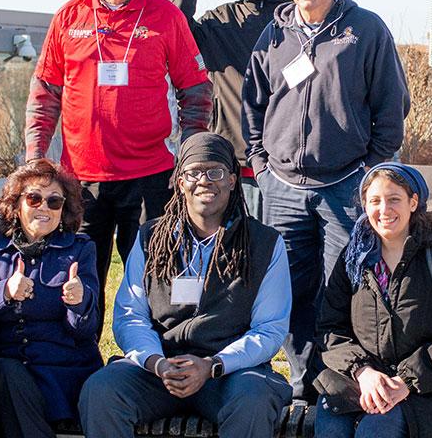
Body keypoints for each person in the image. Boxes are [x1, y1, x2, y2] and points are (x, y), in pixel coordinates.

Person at [243, 0, 409, 401]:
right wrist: (260, 164)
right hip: (282, 187)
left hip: (345, 185)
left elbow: (391, 107)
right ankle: (304, 380)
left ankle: (344, 378)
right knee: (291, 289)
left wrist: (370, 172)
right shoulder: (273, 35)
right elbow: (252, 106)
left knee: (345, 285)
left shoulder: (365, 30)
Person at [26, 0, 212, 295]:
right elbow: (45, 94)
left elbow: (196, 90)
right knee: (76, 282)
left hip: (150, 175)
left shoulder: (166, 16)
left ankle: (149, 352)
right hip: (81, 178)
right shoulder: (69, 16)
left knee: (155, 280)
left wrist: (188, 155)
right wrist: (35, 159)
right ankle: (82, 352)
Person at [79, 133, 292, 438]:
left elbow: (270, 328)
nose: (204, 181)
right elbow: (130, 315)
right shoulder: (150, 238)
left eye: (215, 172)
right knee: (101, 390)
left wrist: (214, 364)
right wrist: (157, 363)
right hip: (160, 369)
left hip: (228, 373)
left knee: (254, 399)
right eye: (193, 173)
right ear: (180, 182)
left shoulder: (265, 244)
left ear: (232, 180)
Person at [313, 163, 432, 438]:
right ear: (364, 205)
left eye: (394, 199)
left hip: (429, 385)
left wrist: (406, 381)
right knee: (332, 431)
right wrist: (362, 372)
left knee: (376, 431)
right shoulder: (353, 258)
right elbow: (330, 329)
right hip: (358, 380)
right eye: (375, 201)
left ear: (413, 202)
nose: (384, 210)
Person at [0, 159, 103, 438]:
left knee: (12, 388)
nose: (43, 207)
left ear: (63, 210)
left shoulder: (80, 250)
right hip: (4, 371)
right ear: (17, 204)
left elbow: (86, 331)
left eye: (54, 202)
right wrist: (3, 292)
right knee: (7, 376)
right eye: (34, 198)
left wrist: (78, 302)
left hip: (61, 375)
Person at [164, 0, 292, 218]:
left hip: (290, 165)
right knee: (235, 248)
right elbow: (172, 28)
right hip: (236, 164)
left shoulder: (295, 16)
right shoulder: (220, 21)